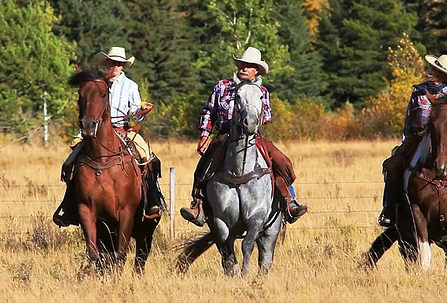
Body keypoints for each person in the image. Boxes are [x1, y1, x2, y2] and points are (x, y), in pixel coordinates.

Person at [179, 47, 308, 227]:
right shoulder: (222, 86)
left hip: (253, 136)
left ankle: (289, 201)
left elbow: (268, 116)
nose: (244, 68)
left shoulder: (261, 90)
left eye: (249, 66)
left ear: (256, 70)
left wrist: (254, 116)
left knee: (281, 161)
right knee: (205, 165)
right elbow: (209, 111)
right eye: (242, 65)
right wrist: (204, 134)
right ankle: (197, 205)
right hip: (224, 135)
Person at [53, 46, 164, 227]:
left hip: (123, 129)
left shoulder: (131, 86)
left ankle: (152, 200)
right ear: (107, 64)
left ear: (122, 67)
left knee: (148, 157)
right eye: (111, 63)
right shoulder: (96, 84)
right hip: (95, 131)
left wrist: (140, 109)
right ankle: (69, 205)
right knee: (69, 163)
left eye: (118, 64)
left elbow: (134, 110)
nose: (114, 66)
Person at [378, 54, 447, 229]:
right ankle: (389, 209)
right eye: (433, 69)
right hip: (417, 137)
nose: (431, 72)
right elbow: (409, 119)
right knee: (392, 165)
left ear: (443, 75)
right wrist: (405, 144)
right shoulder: (418, 91)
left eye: (435, 70)